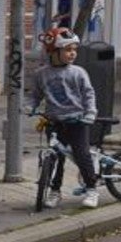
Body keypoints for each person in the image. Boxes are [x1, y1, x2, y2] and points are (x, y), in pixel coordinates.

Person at [29, 28, 100, 209]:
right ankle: (54, 191)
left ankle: (92, 188)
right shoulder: (41, 74)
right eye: (68, 50)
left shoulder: (78, 72)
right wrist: (30, 107)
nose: (72, 53)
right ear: (53, 52)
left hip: (77, 121)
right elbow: (35, 96)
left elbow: (88, 94)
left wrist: (90, 112)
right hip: (54, 122)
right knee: (55, 157)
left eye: (74, 49)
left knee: (81, 154)